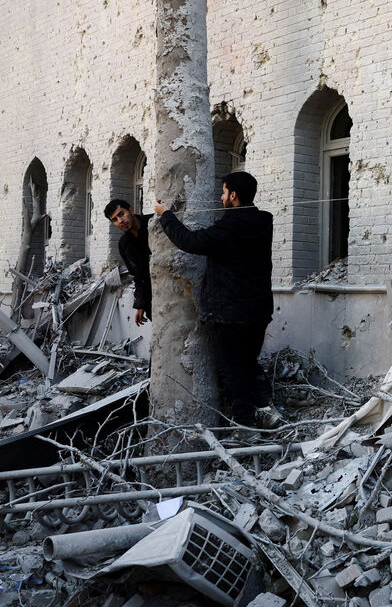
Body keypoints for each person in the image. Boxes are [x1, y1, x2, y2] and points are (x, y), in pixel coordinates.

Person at [153, 171, 274, 428]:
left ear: (233, 195)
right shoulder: (264, 222)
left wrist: (166, 216)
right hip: (259, 309)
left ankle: (245, 426)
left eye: (223, 192)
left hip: (231, 312)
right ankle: (267, 409)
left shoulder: (228, 228)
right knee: (248, 362)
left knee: (232, 370)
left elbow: (189, 241)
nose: (220, 197)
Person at [103, 199, 152, 326]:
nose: (120, 221)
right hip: (154, 300)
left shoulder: (153, 223)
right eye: (114, 220)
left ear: (131, 210)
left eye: (121, 214)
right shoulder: (124, 244)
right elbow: (138, 277)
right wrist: (140, 305)